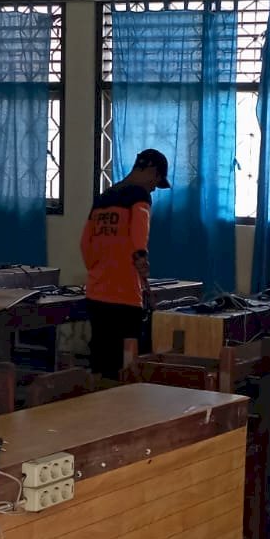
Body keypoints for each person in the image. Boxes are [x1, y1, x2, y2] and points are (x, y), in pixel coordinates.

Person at [80, 148, 169, 381]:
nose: (153, 188)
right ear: (151, 171)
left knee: (101, 357)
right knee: (126, 362)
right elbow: (140, 230)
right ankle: (124, 410)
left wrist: (98, 269)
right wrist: (140, 258)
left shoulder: (104, 196)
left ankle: (96, 405)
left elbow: (85, 242)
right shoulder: (140, 195)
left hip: (96, 293)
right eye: (156, 181)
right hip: (125, 294)